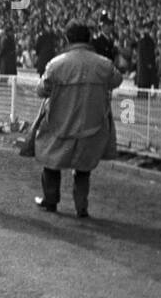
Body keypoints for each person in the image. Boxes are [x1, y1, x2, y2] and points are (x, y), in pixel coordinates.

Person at [32, 21, 123, 218]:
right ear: (88, 39)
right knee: (83, 168)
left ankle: (50, 200)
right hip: (91, 124)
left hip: (60, 123)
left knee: (51, 161)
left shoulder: (56, 64)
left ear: (67, 39)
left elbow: (41, 90)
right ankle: (81, 206)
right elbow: (117, 80)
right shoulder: (103, 64)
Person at [135, 22, 158, 91]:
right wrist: (149, 64)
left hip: (144, 71)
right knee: (144, 89)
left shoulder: (145, 40)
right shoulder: (146, 40)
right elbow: (146, 55)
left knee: (144, 89)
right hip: (145, 70)